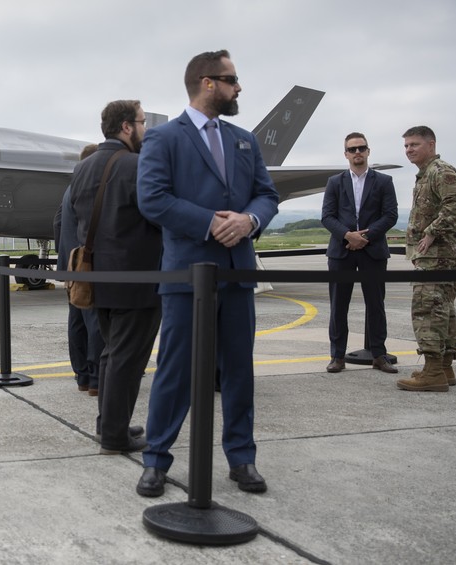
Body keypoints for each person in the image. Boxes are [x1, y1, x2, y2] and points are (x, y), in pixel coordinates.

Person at [135, 50, 278, 496]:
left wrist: (249, 221)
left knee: (238, 369)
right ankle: (156, 459)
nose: (239, 88)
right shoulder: (164, 139)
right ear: (207, 82)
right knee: (176, 369)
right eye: (232, 79)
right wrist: (211, 222)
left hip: (237, 271)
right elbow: (152, 199)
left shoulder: (244, 139)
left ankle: (242, 458)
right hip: (187, 275)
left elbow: (265, 195)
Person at [70, 100, 162, 454]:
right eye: (141, 123)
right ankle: (113, 436)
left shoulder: (83, 167)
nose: (144, 130)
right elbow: (156, 214)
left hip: (97, 278)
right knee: (127, 357)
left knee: (111, 353)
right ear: (126, 127)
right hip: (136, 278)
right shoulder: (137, 166)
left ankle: (110, 424)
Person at [321, 133, 399, 374]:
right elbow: (327, 216)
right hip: (341, 252)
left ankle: (378, 354)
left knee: (376, 305)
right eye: (352, 149)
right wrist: (348, 235)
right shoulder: (335, 182)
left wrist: (365, 237)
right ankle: (337, 356)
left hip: (372, 251)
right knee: (338, 306)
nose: (357, 152)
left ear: (368, 151)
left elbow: (390, 215)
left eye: (361, 148)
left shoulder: (384, 181)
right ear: (346, 154)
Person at [396, 126, 456, 392]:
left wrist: (432, 232)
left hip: (438, 256)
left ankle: (433, 371)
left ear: (431, 145)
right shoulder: (426, 175)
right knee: (442, 310)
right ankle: (444, 368)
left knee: (426, 310)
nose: (409, 150)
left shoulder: (441, 171)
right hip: (437, 256)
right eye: (406, 146)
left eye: (414, 144)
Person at [54, 143, 102, 395]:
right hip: (87, 262)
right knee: (94, 320)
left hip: (71, 264)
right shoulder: (89, 189)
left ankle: (82, 375)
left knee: (77, 320)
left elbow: (58, 222)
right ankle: (95, 378)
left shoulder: (70, 189)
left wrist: (64, 260)